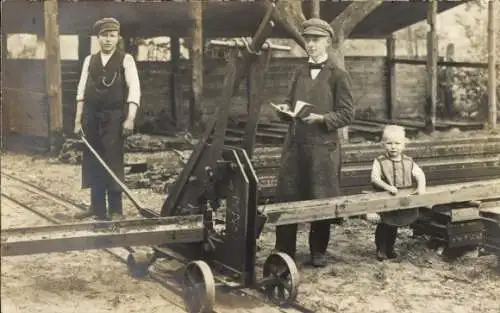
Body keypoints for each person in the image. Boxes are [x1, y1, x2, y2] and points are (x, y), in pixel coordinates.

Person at [272, 18, 354, 267]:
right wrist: (284, 109)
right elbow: (288, 101)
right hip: (295, 148)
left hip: (323, 151)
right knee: (287, 198)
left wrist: (322, 118)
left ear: (328, 42)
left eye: (316, 40)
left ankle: (318, 251)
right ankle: (283, 252)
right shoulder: (298, 72)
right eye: (307, 40)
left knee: (321, 201)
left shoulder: (338, 75)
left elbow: (347, 113)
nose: (311, 45)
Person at [73, 17, 141, 220]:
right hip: (91, 118)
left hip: (114, 119)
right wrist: (78, 120)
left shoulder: (126, 60)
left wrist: (130, 118)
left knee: (112, 161)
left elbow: (135, 90)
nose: (108, 40)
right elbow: (81, 92)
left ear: (118, 37)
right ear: (98, 38)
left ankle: (116, 211)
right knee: (93, 160)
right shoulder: (89, 60)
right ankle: (96, 207)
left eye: (112, 36)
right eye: (104, 36)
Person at [370, 125, 426, 261]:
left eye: (397, 143)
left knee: (394, 225)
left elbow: (419, 174)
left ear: (404, 145)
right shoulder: (379, 161)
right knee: (384, 224)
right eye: (389, 143)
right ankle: (381, 249)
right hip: (385, 198)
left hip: (400, 200)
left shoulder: (408, 161)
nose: (393, 147)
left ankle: (390, 249)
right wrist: (388, 187)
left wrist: (421, 187)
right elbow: (374, 178)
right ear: (383, 144)